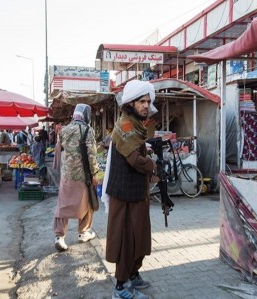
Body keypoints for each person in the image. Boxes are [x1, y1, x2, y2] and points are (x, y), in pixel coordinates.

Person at [102, 80, 158, 299]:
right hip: (124, 194)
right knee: (126, 239)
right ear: (131, 103)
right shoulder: (126, 124)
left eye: (148, 101)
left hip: (136, 192)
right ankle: (120, 287)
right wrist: (152, 165)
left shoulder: (135, 123)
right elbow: (134, 159)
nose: (146, 105)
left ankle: (133, 274)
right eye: (142, 101)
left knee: (140, 237)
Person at [53, 104, 99, 252]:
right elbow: (92, 155)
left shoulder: (64, 130)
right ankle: (83, 232)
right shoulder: (88, 130)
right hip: (82, 176)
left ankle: (59, 237)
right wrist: (94, 174)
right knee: (88, 204)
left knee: (63, 204)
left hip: (66, 175)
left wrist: (59, 169)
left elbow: (58, 151)